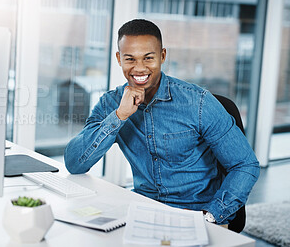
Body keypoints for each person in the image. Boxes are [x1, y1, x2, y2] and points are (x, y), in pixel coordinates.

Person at [64, 19, 260, 226]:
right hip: (144, 209)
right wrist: (119, 116)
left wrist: (211, 216)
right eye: (130, 59)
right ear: (119, 59)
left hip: (197, 212)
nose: (139, 68)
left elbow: (245, 164)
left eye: (148, 58)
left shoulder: (198, 102)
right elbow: (75, 163)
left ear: (163, 56)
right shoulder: (111, 104)